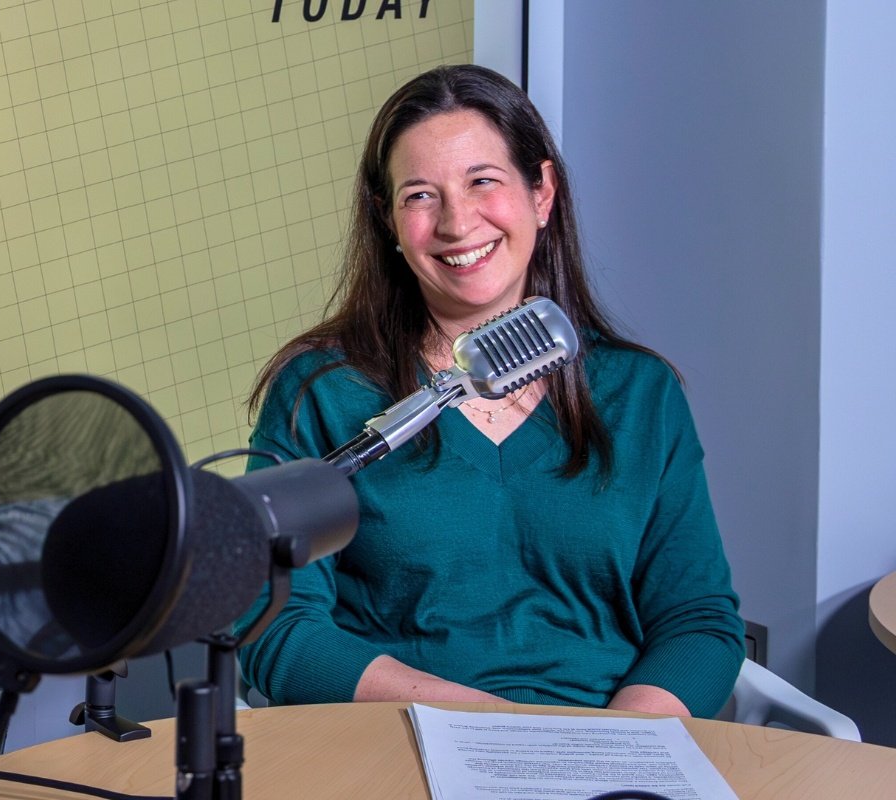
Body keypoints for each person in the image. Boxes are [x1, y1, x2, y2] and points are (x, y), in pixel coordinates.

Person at [232, 65, 744, 718]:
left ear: (541, 192)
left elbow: (697, 619)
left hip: (606, 748)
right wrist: (495, 732)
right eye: (420, 195)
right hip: (394, 743)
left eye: (483, 182)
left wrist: (617, 750)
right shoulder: (322, 394)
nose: (456, 222)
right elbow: (276, 627)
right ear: (387, 219)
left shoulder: (641, 393)